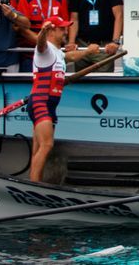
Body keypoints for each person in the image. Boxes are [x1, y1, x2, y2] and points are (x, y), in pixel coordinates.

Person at [28, 17, 99, 182]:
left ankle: (33, 181)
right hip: (40, 102)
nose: (65, 32)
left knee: (38, 147)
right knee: (47, 145)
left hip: (50, 105)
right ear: (52, 31)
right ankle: (34, 184)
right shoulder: (44, 50)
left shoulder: (58, 52)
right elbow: (39, 43)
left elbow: (72, 56)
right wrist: (43, 31)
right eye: (61, 29)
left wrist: (88, 51)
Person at [15, 0, 70, 72]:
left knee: (55, 83)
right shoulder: (26, 0)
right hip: (31, 55)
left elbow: (66, 25)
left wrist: (66, 42)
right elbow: (23, 29)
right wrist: (42, 42)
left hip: (55, 54)